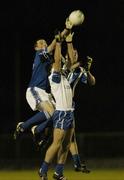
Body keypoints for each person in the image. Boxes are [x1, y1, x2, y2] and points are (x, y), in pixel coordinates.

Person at [13, 19, 73, 139]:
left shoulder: (49, 60)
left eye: (44, 42)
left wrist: (67, 35)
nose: (44, 44)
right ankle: (24, 126)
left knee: (57, 115)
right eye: (41, 43)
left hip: (45, 93)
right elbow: (53, 44)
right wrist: (65, 30)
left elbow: (66, 63)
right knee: (52, 113)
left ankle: (39, 132)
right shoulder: (39, 55)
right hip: (35, 90)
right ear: (36, 48)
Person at [38, 33, 74, 180]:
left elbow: (71, 61)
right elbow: (58, 60)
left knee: (66, 146)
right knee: (57, 143)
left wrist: (69, 42)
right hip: (61, 113)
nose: (59, 62)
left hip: (70, 112)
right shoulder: (54, 75)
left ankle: (58, 173)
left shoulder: (63, 74)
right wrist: (58, 43)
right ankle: (43, 169)